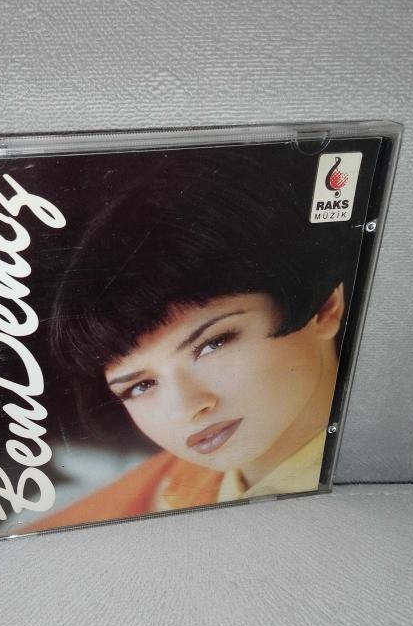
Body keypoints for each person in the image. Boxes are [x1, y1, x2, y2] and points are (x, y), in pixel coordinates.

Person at [20, 150, 350, 533]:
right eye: (141, 386)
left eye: (213, 344)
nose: (186, 410)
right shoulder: (169, 486)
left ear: (325, 306)